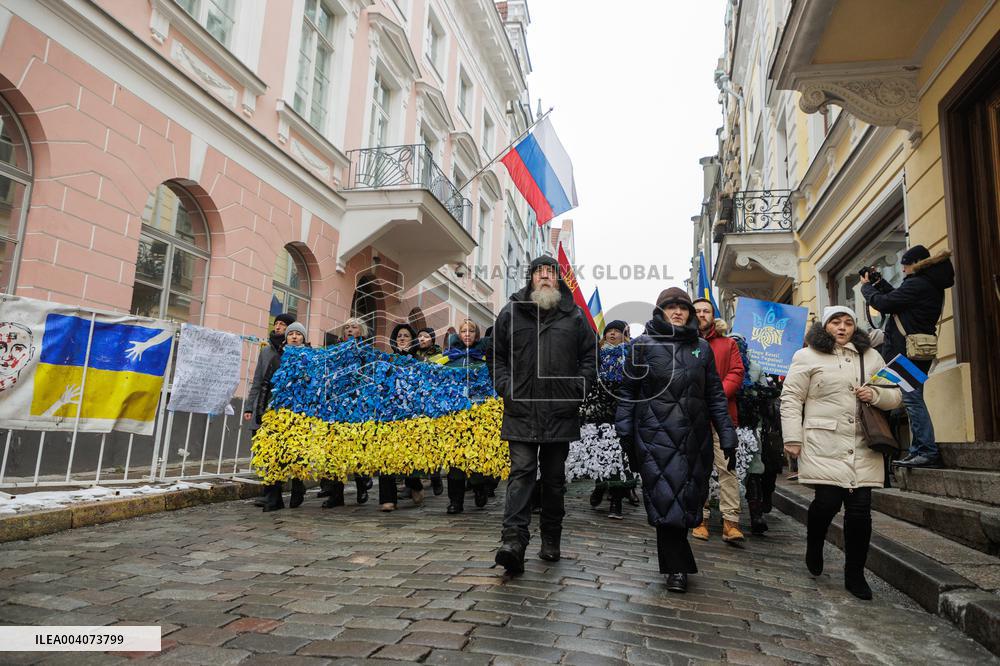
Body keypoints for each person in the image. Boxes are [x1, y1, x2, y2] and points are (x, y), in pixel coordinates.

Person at [616, 288, 736, 593]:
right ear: (660, 311)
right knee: (665, 499)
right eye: (670, 307)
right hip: (654, 436)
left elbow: (715, 396)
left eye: (683, 307)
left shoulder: (701, 348)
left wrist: (727, 434)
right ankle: (677, 568)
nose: (678, 312)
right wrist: (625, 433)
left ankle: (676, 563)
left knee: (687, 499)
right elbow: (627, 394)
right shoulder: (641, 346)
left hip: (694, 438)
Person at [780, 306, 902, 600]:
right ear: (826, 326)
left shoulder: (871, 356)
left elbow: (895, 395)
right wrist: (792, 438)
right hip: (823, 441)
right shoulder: (806, 355)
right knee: (828, 501)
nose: (843, 327)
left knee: (860, 511)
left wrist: (875, 394)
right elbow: (792, 398)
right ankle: (814, 544)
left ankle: (855, 574)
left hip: (863, 443)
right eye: (836, 322)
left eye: (848, 322)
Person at [492, 256, 598, 575]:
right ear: (531, 279)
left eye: (551, 273)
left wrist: (573, 394)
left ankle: (551, 538)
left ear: (559, 280)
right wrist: (507, 388)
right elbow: (496, 358)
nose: (545, 277)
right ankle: (513, 543)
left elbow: (589, 361)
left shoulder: (576, 316)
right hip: (521, 411)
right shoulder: (511, 312)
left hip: (560, 413)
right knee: (521, 474)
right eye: (540, 273)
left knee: (553, 481)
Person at [860, 246, 955, 469]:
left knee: (912, 401)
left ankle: (927, 451)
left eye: (905, 264)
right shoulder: (928, 283)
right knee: (913, 399)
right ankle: (918, 450)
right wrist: (880, 284)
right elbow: (898, 299)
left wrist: (866, 289)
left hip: (908, 353)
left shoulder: (918, 284)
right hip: (917, 352)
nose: (902, 268)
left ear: (918, 263)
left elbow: (884, 303)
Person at [691, 299, 746, 544]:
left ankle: (730, 522)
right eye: (697, 311)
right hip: (692, 418)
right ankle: (699, 519)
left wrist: (715, 394)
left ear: (713, 316)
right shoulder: (684, 343)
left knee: (727, 468)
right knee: (696, 470)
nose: (702, 314)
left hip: (722, 416)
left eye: (706, 311)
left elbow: (736, 372)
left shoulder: (728, 344)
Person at [245, 314, 302, 511]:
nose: (294, 336)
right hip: (272, 411)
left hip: (297, 413)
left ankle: (297, 488)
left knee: (294, 454)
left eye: (297, 333)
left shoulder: (309, 356)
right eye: (290, 333)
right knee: (271, 453)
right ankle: (273, 496)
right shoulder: (272, 354)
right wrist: (252, 408)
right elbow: (261, 383)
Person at [581, 320, 637, 520]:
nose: (613, 334)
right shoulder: (596, 355)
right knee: (599, 453)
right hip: (597, 413)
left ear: (625, 335)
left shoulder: (631, 355)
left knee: (620, 456)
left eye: (617, 331)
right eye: (609, 331)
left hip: (621, 413)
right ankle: (600, 485)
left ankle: (616, 500)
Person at [321, 317, 372, 508]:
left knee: (356, 447)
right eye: (347, 327)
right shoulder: (334, 350)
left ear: (362, 331)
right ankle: (336, 494)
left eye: (354, 327)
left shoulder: (366, 351)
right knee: (335, 449)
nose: (350, 330)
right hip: (335, 405)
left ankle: (362, 485)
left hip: (358, 405)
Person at [443, 320, 491, 514]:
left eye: (471, 330)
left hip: (476, 413)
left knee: (475, 455)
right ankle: (456, 501)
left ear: (477, 334)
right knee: (454, 457)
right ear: (459, 335)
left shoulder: (484, 358)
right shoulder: (450, 359)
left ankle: (480, 488)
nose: (467, 334)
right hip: (454, 414)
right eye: (463, 331)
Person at [377, 323, 425, 512]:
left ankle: (415, 484)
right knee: (385, 456)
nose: (402, 338)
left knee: (407, 455)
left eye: (406, 335)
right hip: (388, 414)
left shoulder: (419, 361)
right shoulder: (387, 361)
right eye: (399, 336)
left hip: (412, 415)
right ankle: (387, 499)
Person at [411, 327, 445, 495]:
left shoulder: (439, 355)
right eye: (420, 336)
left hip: (433, 403)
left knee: (432, 441)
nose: (422, 339)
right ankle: (414, 479)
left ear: (432, 339)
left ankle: (435, 475)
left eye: (425, 337)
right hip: (415, 402)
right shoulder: (412, 354)